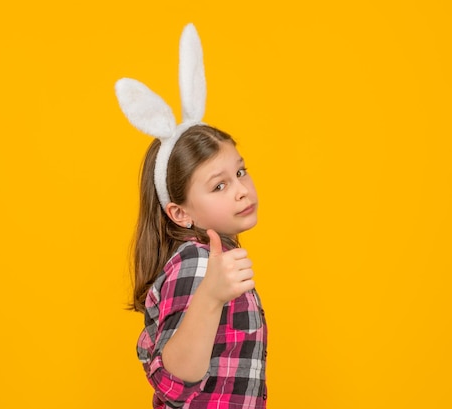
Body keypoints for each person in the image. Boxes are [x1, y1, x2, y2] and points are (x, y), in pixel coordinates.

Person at [115, 24, 267, 408]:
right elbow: (171, 382)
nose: (240, 188)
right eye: (218, 185)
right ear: (179, 212)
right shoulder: (197, 265)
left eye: (240, 171)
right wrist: (210, 296)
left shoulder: (210, 259)